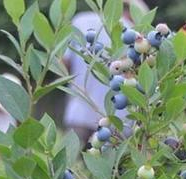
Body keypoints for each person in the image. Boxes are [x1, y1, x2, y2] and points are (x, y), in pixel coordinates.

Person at [63, 0, 148, 144]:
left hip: (79, 111)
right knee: (107, 165)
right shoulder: (133, 36)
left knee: (70, 162)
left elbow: (63, 62)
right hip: (116, 121)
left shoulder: (80, 21)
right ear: (131, 14)